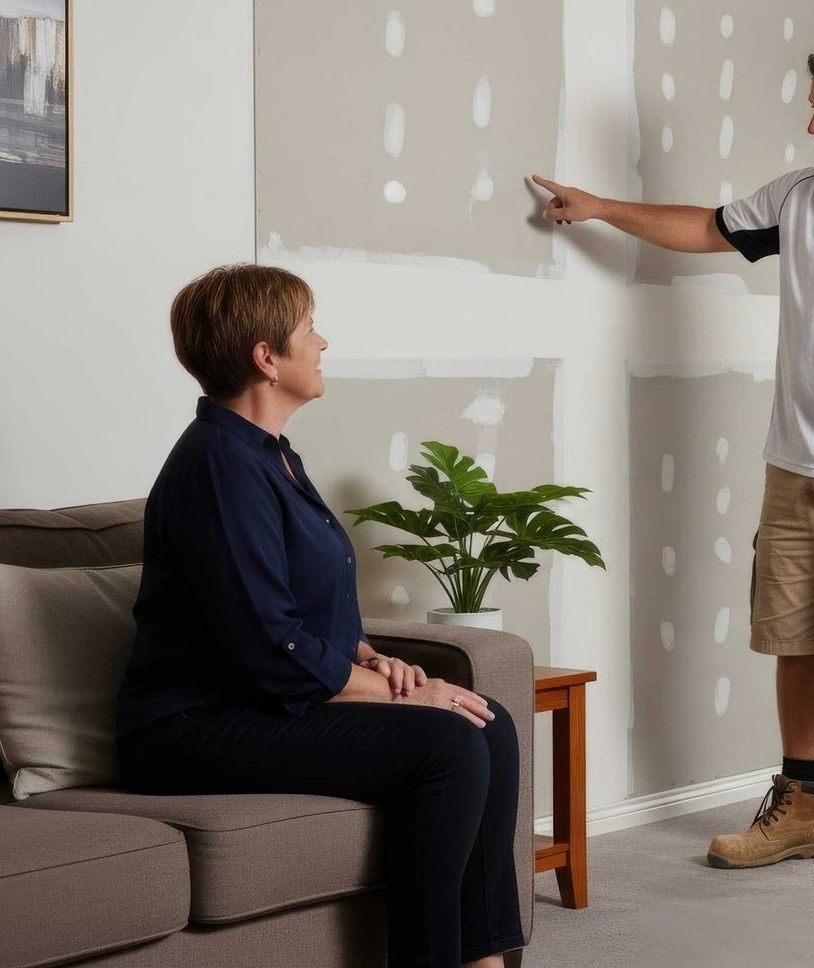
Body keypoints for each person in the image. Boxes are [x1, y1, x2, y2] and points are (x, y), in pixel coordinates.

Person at [531, 33, 814, 893]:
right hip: (793, 465)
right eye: (813, 108)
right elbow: (707, 227)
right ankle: (803, 806)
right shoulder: (801, 198)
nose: (812, 123)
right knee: (795, 638)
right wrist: (600, 206)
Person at [116, 264, 526, 967]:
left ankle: (482, 962)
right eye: (309, 330)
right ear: (266, 356)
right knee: (449, 742)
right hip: (191, 725)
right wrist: (416, 693)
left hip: (259, 703)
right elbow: (268, 644)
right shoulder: (217, 465)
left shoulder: (272, 455)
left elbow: (302, 602)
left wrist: (368, 656)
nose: (323, 342)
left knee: (488, 722)